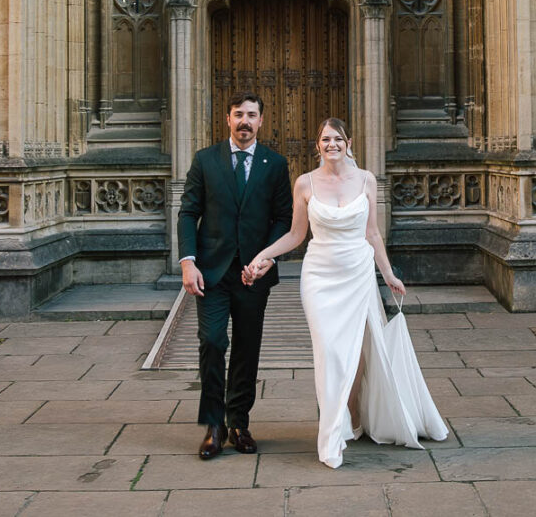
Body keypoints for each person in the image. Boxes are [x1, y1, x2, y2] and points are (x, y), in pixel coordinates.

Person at [244, 117, 447, 468]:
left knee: (359, 352)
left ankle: (352, 413)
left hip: (358, 274)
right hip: (319, 277)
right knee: (330, 351)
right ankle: (332, 432)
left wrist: (387, 274)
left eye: (337, 138)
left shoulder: (367, 180)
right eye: (325, 139)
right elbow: (295, 236)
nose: (331, 144)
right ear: (317, 145)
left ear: (348, 142)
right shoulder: (304, 184)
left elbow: (372, 234)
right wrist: (263, 256)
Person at [177, 92, 292, 460]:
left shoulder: (274, 164)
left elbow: (283, 219)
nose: (245, 121)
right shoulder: (205, 160)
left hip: (252, 274)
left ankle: (239, 422)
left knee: (246, 347)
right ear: (228, 119)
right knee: (212, 342)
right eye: (238, 114)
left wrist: (267, 260)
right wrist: (188, 262)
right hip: (211, 273)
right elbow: (187, 212)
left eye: (252, 115)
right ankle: (214, 425)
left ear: (261, 121)